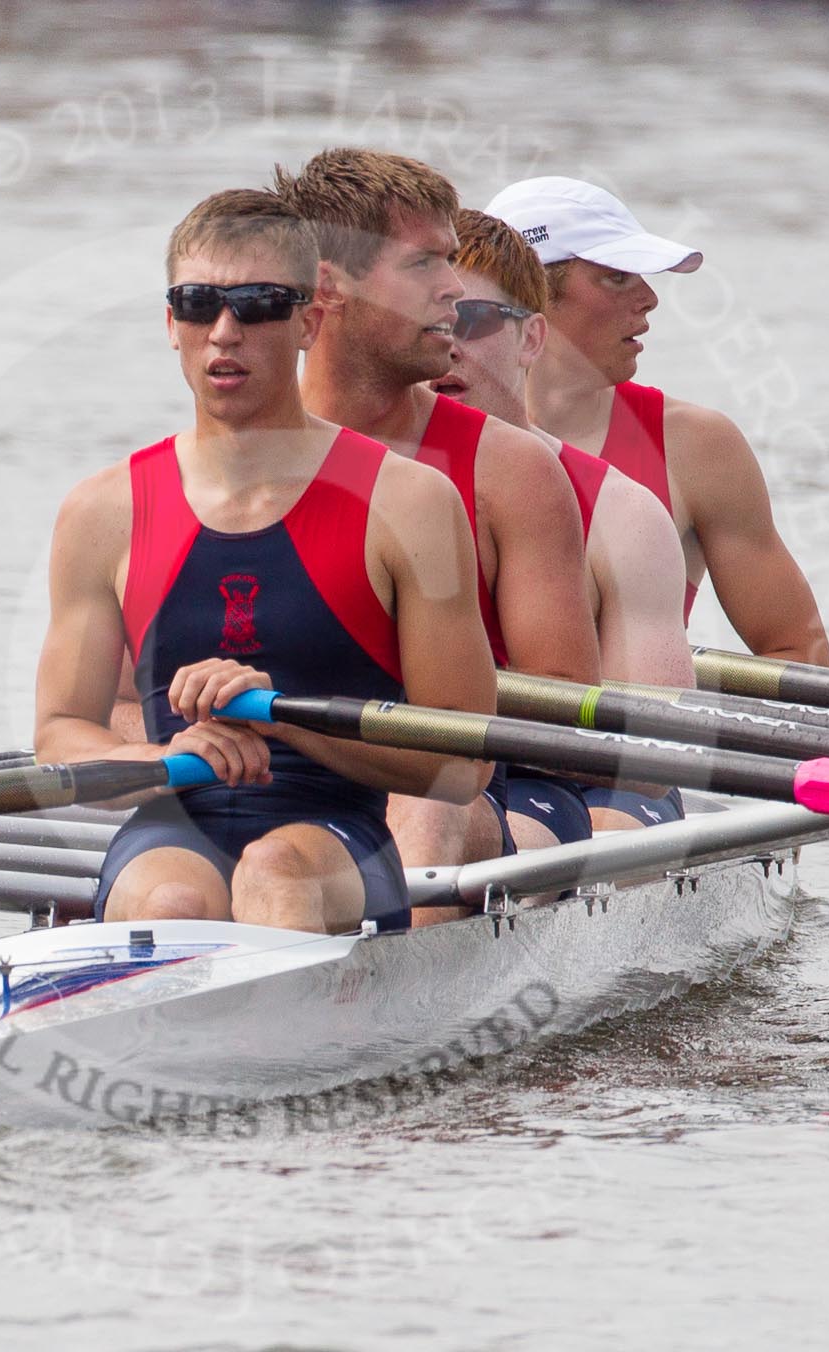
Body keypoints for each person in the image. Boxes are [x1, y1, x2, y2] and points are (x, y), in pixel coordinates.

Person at [34, 188, 495, 936]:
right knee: (174, 906)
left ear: (310, 321)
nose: (223, 331)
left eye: (257, 304)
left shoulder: (409, 504)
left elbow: (462, 761)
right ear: (169, 322)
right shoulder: (100, 512)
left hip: (333, 833)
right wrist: (163, 758)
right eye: (197, 303)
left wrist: (280, 720)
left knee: (275, 875)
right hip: (172, 816)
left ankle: (272, 1045)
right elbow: (60, 734)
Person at [272, 148, 596, 896]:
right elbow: (123, 708)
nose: (455, 289)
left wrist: (387, 696)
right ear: (329, 287)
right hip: (279, 771)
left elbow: (567, 730)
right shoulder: (226, 461)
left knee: (422, 801)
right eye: (425, 266)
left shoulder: (511, 473)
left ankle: (392, 1000)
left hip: (491, 788)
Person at [486, 176, 829, 666]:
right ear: (533, 293)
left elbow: (799, 653)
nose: (650, 298)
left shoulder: (698, 447)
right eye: (617, 276)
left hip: (626, 734)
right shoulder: (415, 426)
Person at [435, 207, 694, 844]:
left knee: (598, 827)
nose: (446, 346)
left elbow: (650, 757)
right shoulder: (351, 478)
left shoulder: (621, 514)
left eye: (471, 319)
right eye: (430, 323)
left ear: (531, 339)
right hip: (397, 765)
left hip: (572, 786)